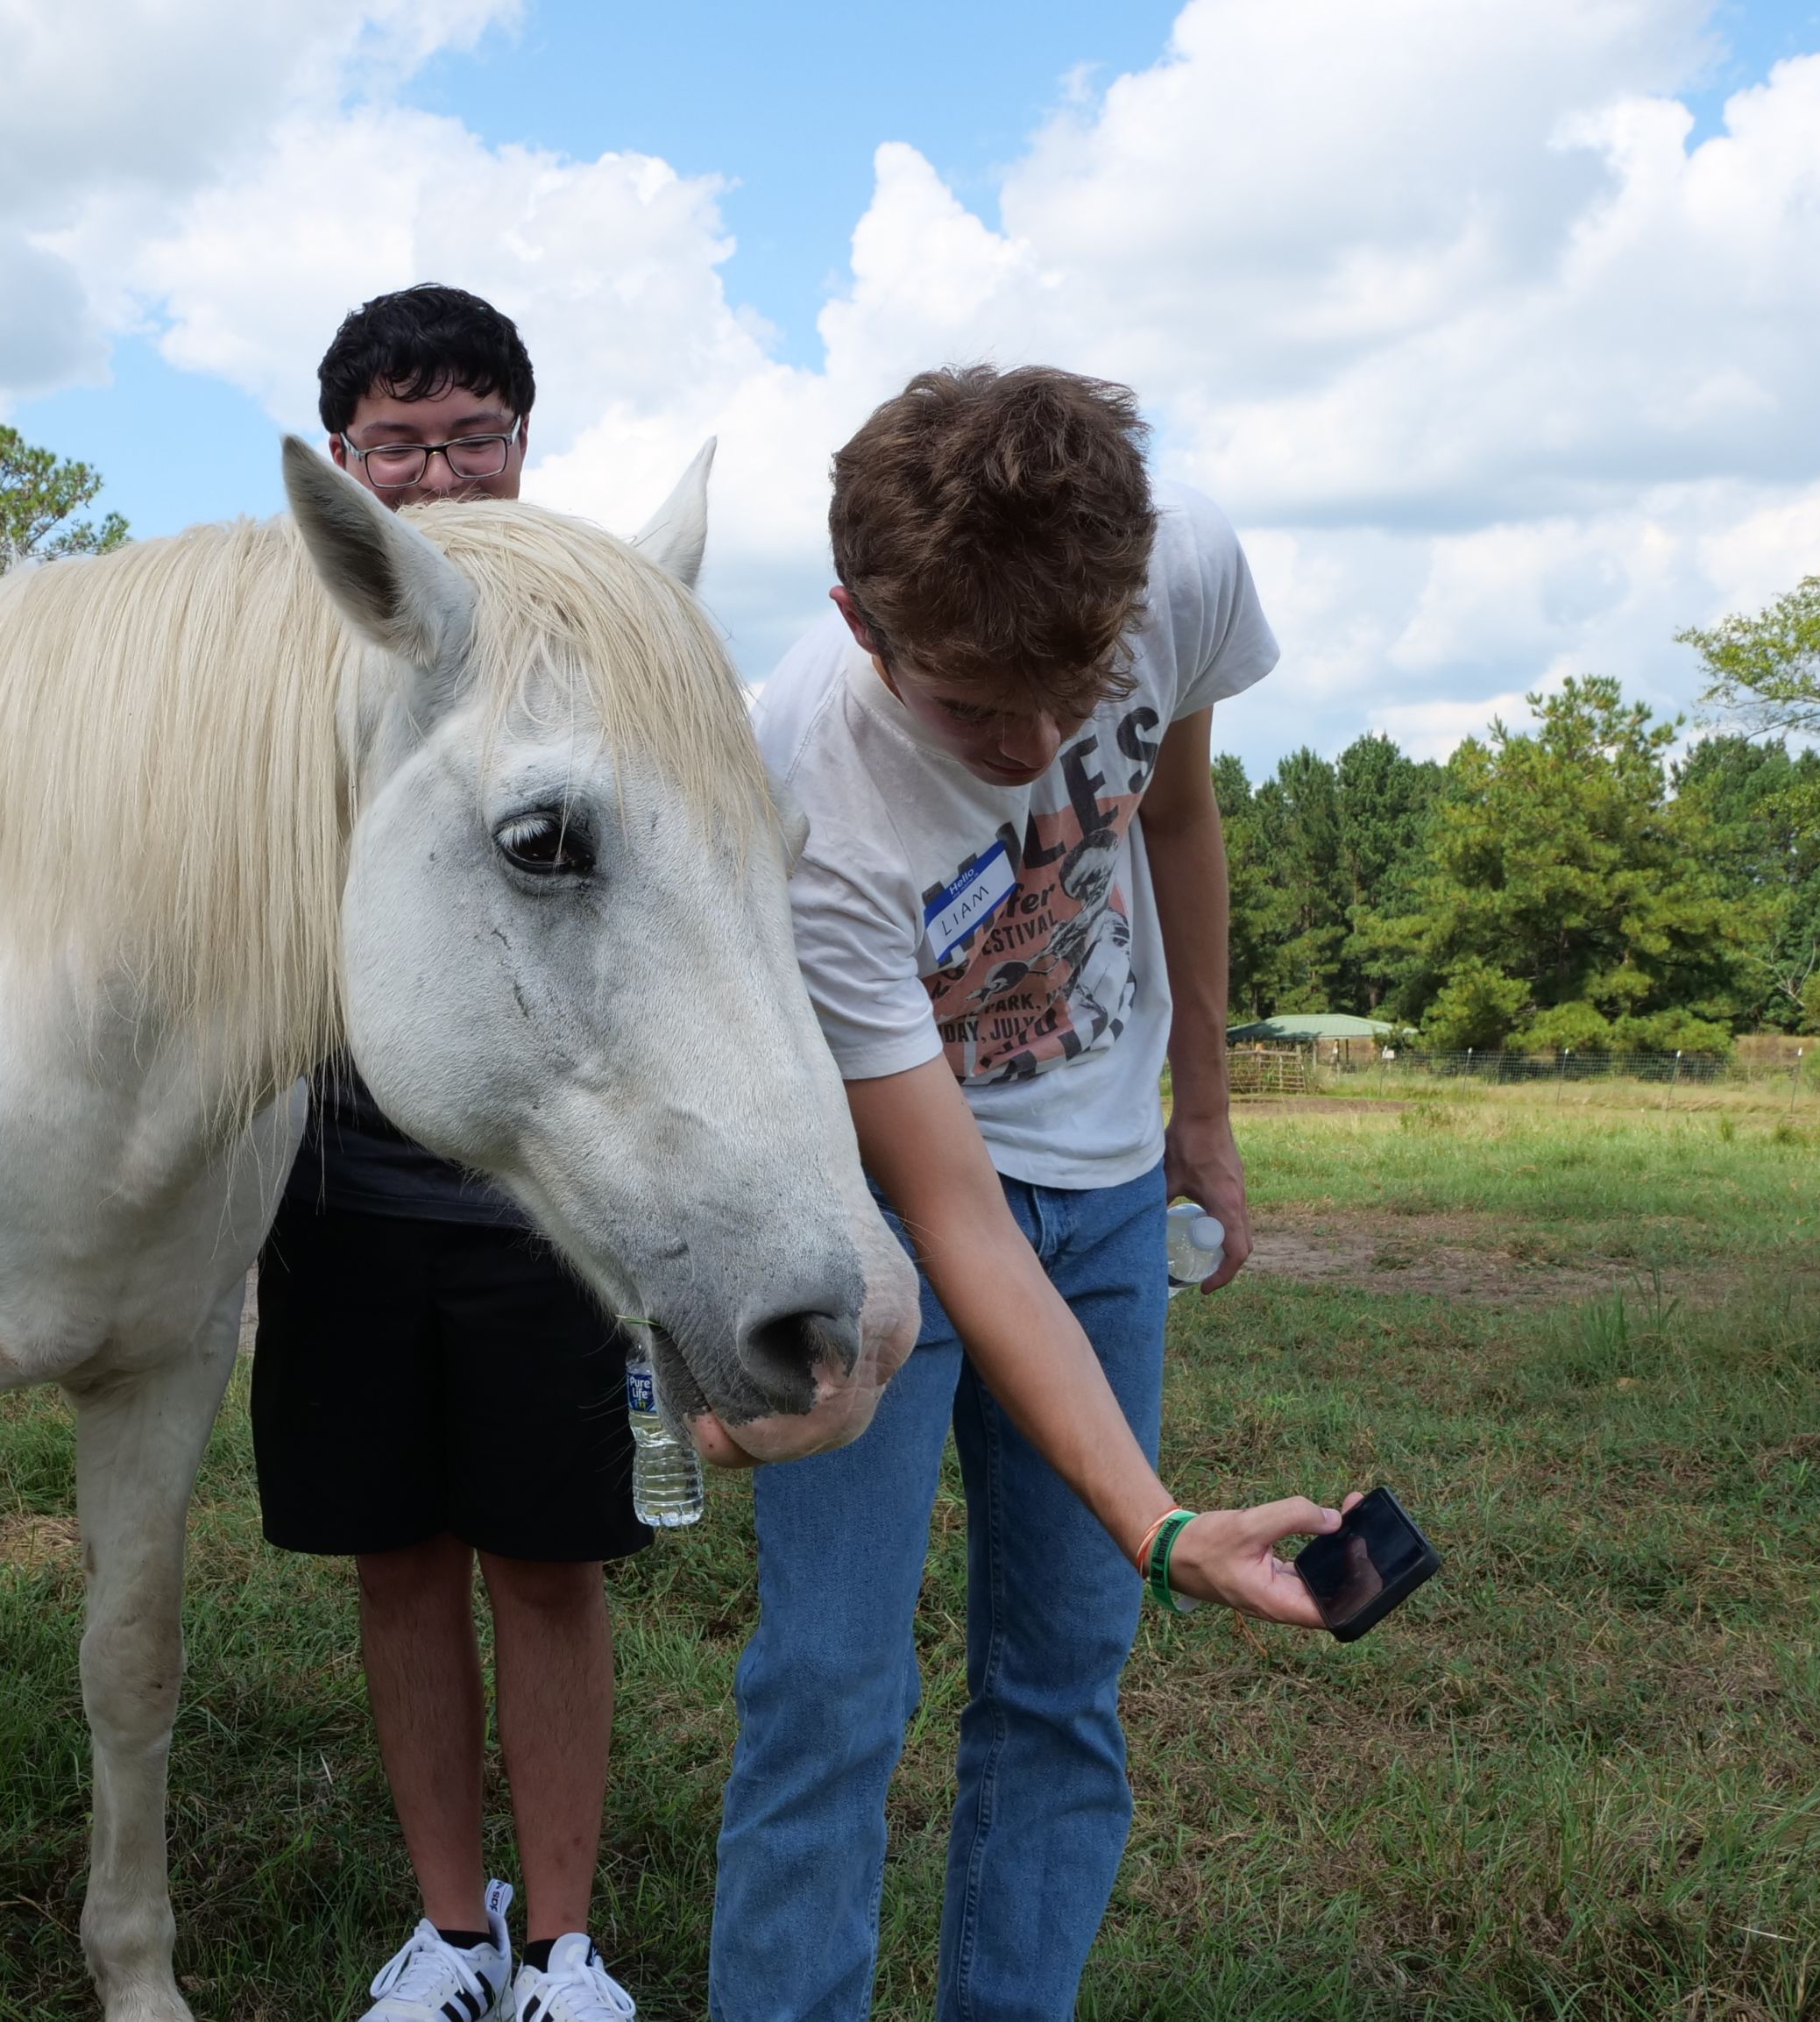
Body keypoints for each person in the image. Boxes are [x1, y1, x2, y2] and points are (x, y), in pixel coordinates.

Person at [708, 365, 1355, 2022]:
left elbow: (1184, 813)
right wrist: (1163, 1522)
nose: (1030, 745)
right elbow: (960, 1225)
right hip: (894, 1211)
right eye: (972, 707)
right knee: (832, 1689)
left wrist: (1199, 1106)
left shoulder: (1177, 566)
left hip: (1116, 1190)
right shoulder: (807, 801)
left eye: (1066, 689)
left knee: (1066, 1680)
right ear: (863, 623)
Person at [249, 283, 648, 2022]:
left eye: (466, 434)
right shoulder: (270, 657)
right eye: (395, 441)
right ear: (343, 459)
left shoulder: (581, 639)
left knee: (548, 1558)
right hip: (331, 1172)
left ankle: (561, 1943)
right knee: (396, 1556)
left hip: (531, 1166)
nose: (430, 469)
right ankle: (450, 1929)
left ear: (520, 447)